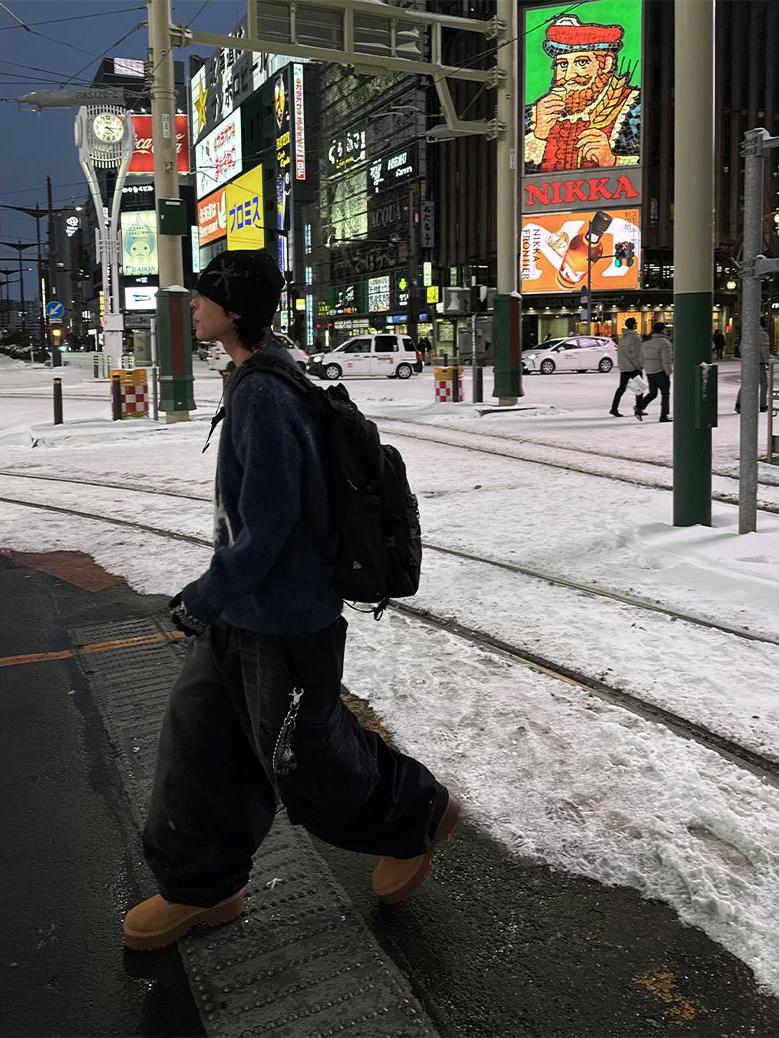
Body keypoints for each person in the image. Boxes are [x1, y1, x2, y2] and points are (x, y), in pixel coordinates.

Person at [122, 249, 460, 951]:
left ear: (235, 308)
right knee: (201, 748)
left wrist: (204, 598)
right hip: (244, 616)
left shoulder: (267, 395)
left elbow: (270, 526)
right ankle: (201, 885)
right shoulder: (252, 379)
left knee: (311, 767)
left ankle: (416, 812)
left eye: (205, 295)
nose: (193, 306)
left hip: (284, 621)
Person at [524, 14, 641, 174]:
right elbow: (508, 175)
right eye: (562, 64)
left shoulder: (635, 108)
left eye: (582, 62)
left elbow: (658, 165)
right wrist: (538, 135)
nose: (569, 75)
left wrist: (612, 160)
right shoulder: (532, 115)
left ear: (606, 64)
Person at [735, 319, 774, 414]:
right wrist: (767, 361)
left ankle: (739, 404)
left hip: (748, 362)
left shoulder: (748, 333)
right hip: (759, 362)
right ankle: (762, 404)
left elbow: (741, 347)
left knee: (746, 383)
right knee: (764, 384)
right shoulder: (763, 334)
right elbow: (764, 349)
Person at [636, 322, 673, 422]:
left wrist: (646, 367)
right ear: (662, 330)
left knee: (653, 393)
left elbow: (641, 358)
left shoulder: (646, 342)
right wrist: (668, 372)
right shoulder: (664, 343)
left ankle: (639, 407)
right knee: (665, 394)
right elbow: (666, 360)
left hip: (649, 371)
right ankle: (664, 415)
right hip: (660, 371)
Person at [609, 317, 643, 417]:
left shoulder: (622, 338)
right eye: (635, 323)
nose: (636, 325)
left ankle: (614, 408)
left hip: (624, 367)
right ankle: (638, 409)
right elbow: (635, 354)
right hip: (633, 367)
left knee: (621, 388)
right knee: (639, 388)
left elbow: (621, 352)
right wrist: (639, 366)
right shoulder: (635, 338)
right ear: (633, 325)